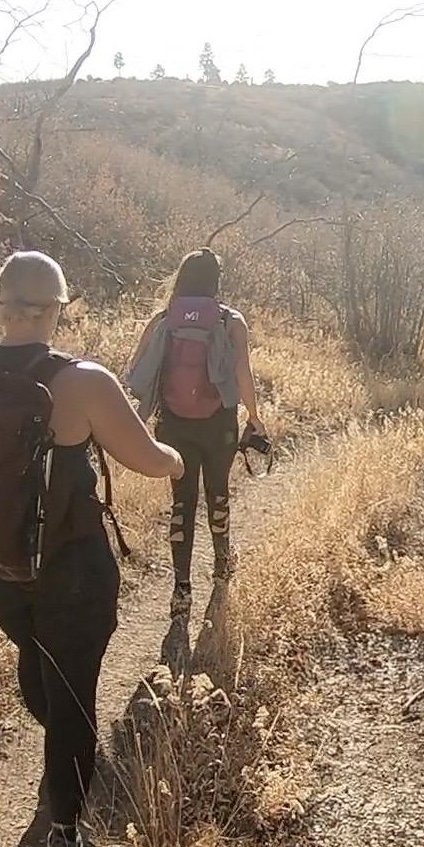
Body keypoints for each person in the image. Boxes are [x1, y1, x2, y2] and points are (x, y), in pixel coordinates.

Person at [0, 251, 185, 847]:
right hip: (73, 569)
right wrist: (179, 462)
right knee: (71, 691)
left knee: (39, 663)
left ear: (1, 308)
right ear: (58, 310)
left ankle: (63, 750)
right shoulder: (84, 381)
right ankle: (65, 827)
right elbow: (147, 458)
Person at [126, 248, 265, 618]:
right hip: (218, 423)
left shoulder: (163, 318)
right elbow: (243, 376)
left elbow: (137, 368)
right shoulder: (230, 320)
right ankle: (222, 568)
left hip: (173, 423)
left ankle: (181, 590)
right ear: (216, 281)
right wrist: (254, 416)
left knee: (182, 503)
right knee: (218, 493)